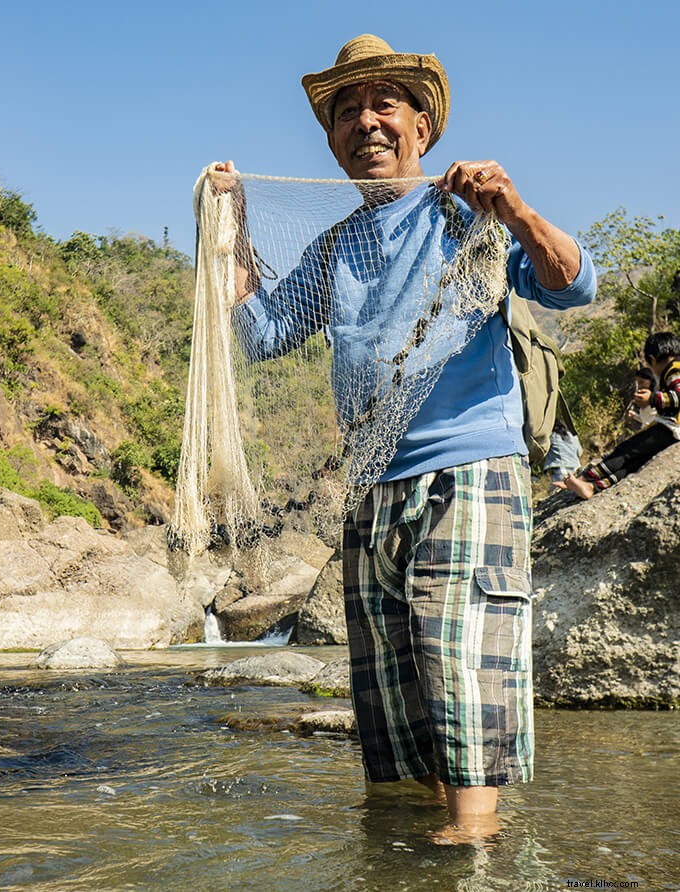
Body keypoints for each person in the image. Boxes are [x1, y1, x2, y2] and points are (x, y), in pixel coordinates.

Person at [213, 34, 596, 835]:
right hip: (371, 487)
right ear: (330, 142)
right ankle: (424, 852)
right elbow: (256, 334)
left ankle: (474, 842)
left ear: (422, 127)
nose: (366, 122)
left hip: (471, 470)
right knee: (392, 693)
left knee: (461, 661)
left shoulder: (470, 216)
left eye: (384, 104)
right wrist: (234, 228)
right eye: (346, 111)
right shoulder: (336, 248)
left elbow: (573, 283)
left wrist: (514, 208)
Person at [562, 332, 680, 499]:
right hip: (672, 430)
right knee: (633, 463)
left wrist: (652, 398)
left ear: (652, 360)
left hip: (671, 428)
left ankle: (585, 478)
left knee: (625, 450)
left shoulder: (674, 370)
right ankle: (591, 487)